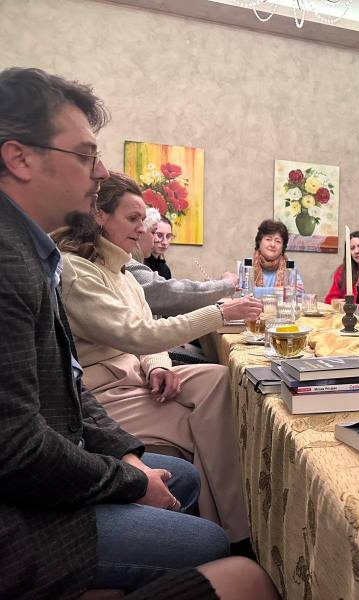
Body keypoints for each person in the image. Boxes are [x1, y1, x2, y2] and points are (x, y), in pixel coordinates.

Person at [0, 66, 236, 598]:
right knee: (212, 544)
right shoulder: (13, 262)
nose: (100, 169)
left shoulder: (33, 252)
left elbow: (70, 385)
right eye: (85, 155)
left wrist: (124, 454)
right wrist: (127, 477)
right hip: (21, 520)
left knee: (186, 473)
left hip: (66, 442)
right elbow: (16, 447)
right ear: (20, 158)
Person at [53, 171, 263, 545]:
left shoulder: (123, 273)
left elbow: (146, 332)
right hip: (105, 393)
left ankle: (226, 522)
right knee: (205, 425)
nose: (143, 228)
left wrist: (159, 366)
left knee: (218, 377)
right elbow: (138, 333)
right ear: (100, 216)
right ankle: (232, 533)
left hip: (133, 377)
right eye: (133, 218)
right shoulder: (77, 270)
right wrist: (219, 312)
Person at [129, 206, 240, 317]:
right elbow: (172, 294)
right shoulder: (129, 267)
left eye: (168, 236)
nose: (158, 240)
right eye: (155, 233)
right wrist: (225, 286)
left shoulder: (140, 265)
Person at [253, 218, 304, 292]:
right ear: (259, 242)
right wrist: (279, 290)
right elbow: (245, 293)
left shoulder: (289, 265)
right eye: (268, 239)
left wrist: (261, 291)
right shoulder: (247, 264)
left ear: (283, 247)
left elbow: (299, 292)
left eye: (278, 241)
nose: (272, 245)